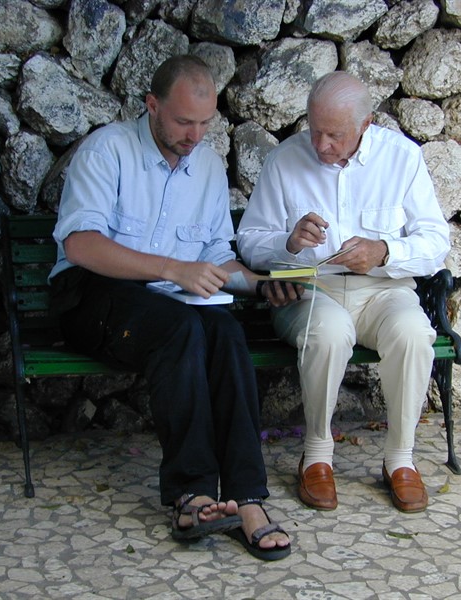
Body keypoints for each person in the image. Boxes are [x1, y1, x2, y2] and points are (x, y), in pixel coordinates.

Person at [48, 55, 292, 560]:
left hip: (165, 303)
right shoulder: (107, 151)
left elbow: (214, 254)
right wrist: (171, 269)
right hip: (91, 296)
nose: (195, 135)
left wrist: (260, 284)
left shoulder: (204, 163)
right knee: (182, 328)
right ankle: (192, 493)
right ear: (152, 106)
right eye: (183, 121)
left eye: (205, 123)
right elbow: (80, 246)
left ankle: (248, 497)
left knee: (224, 332)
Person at [236, 71, 450, 514]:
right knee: (329, 333)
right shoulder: (284, 160)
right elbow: (249, 241)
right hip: (314, 290)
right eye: (315, 130)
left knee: (413, 332)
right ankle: (316, 454)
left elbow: (435, 243)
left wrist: (385, 250)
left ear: (366, 125)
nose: (321, 145)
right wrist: (288, 243)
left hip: (383, 290)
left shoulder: (402, 158)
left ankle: (401, 459)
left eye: (334, 135)